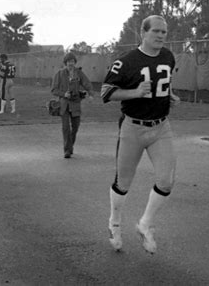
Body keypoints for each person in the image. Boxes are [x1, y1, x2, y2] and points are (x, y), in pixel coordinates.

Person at [101, 15, 181, 254]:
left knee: (166, 181)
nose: (160, 36)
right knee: (123, 183)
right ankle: (114, 222)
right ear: (143, 33)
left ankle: (145, 224)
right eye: (155, 31)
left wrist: (169, 95)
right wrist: (135, 92)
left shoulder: (168, 56)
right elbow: (106, 92)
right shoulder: (126, 61)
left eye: (164, 32)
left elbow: (162, 82)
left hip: (161, 127)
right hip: (133, 127)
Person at [51, 52, 94, 158]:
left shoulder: (79, 73)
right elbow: (54, 90)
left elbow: (87, 83)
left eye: (73, 61)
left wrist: (91, 94)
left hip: (75, 104)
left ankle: (70, 146)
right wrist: (63, 94)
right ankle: (67, 150)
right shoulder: (59, 74)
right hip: (64, 104)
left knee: (75, 127)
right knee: (66, 128)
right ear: (65, 63)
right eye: (69, 62)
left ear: (75, 62)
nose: (71, 63)